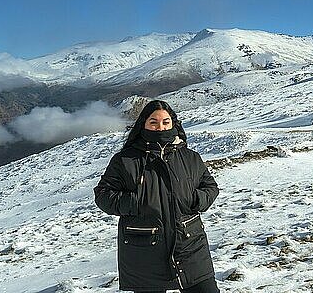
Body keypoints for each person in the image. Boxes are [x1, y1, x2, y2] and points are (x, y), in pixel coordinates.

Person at [94, 100, 220, 293]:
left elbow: (210, 187)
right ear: (143, 123)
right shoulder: (126, 160)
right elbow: (103, 195)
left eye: (165, 122)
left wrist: (195, 200)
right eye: (154, 122)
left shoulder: (189, 157)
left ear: (173, 124)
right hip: (144, 247)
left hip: (189, 244)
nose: (160, 127)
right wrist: (135, 203)